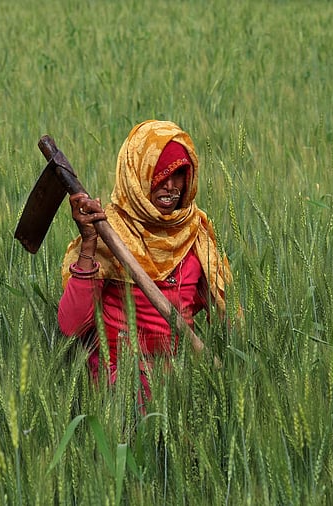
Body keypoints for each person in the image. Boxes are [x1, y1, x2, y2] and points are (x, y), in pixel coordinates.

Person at [57, 119, 232, 408]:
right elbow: (70, 325)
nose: (171, 186)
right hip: (118, 390)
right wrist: (89, 243)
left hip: (180, 389)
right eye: (159, 174)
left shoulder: (195, 234)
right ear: (136, 174)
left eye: (179, 174)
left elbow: (230, 324)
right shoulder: (108, 233)